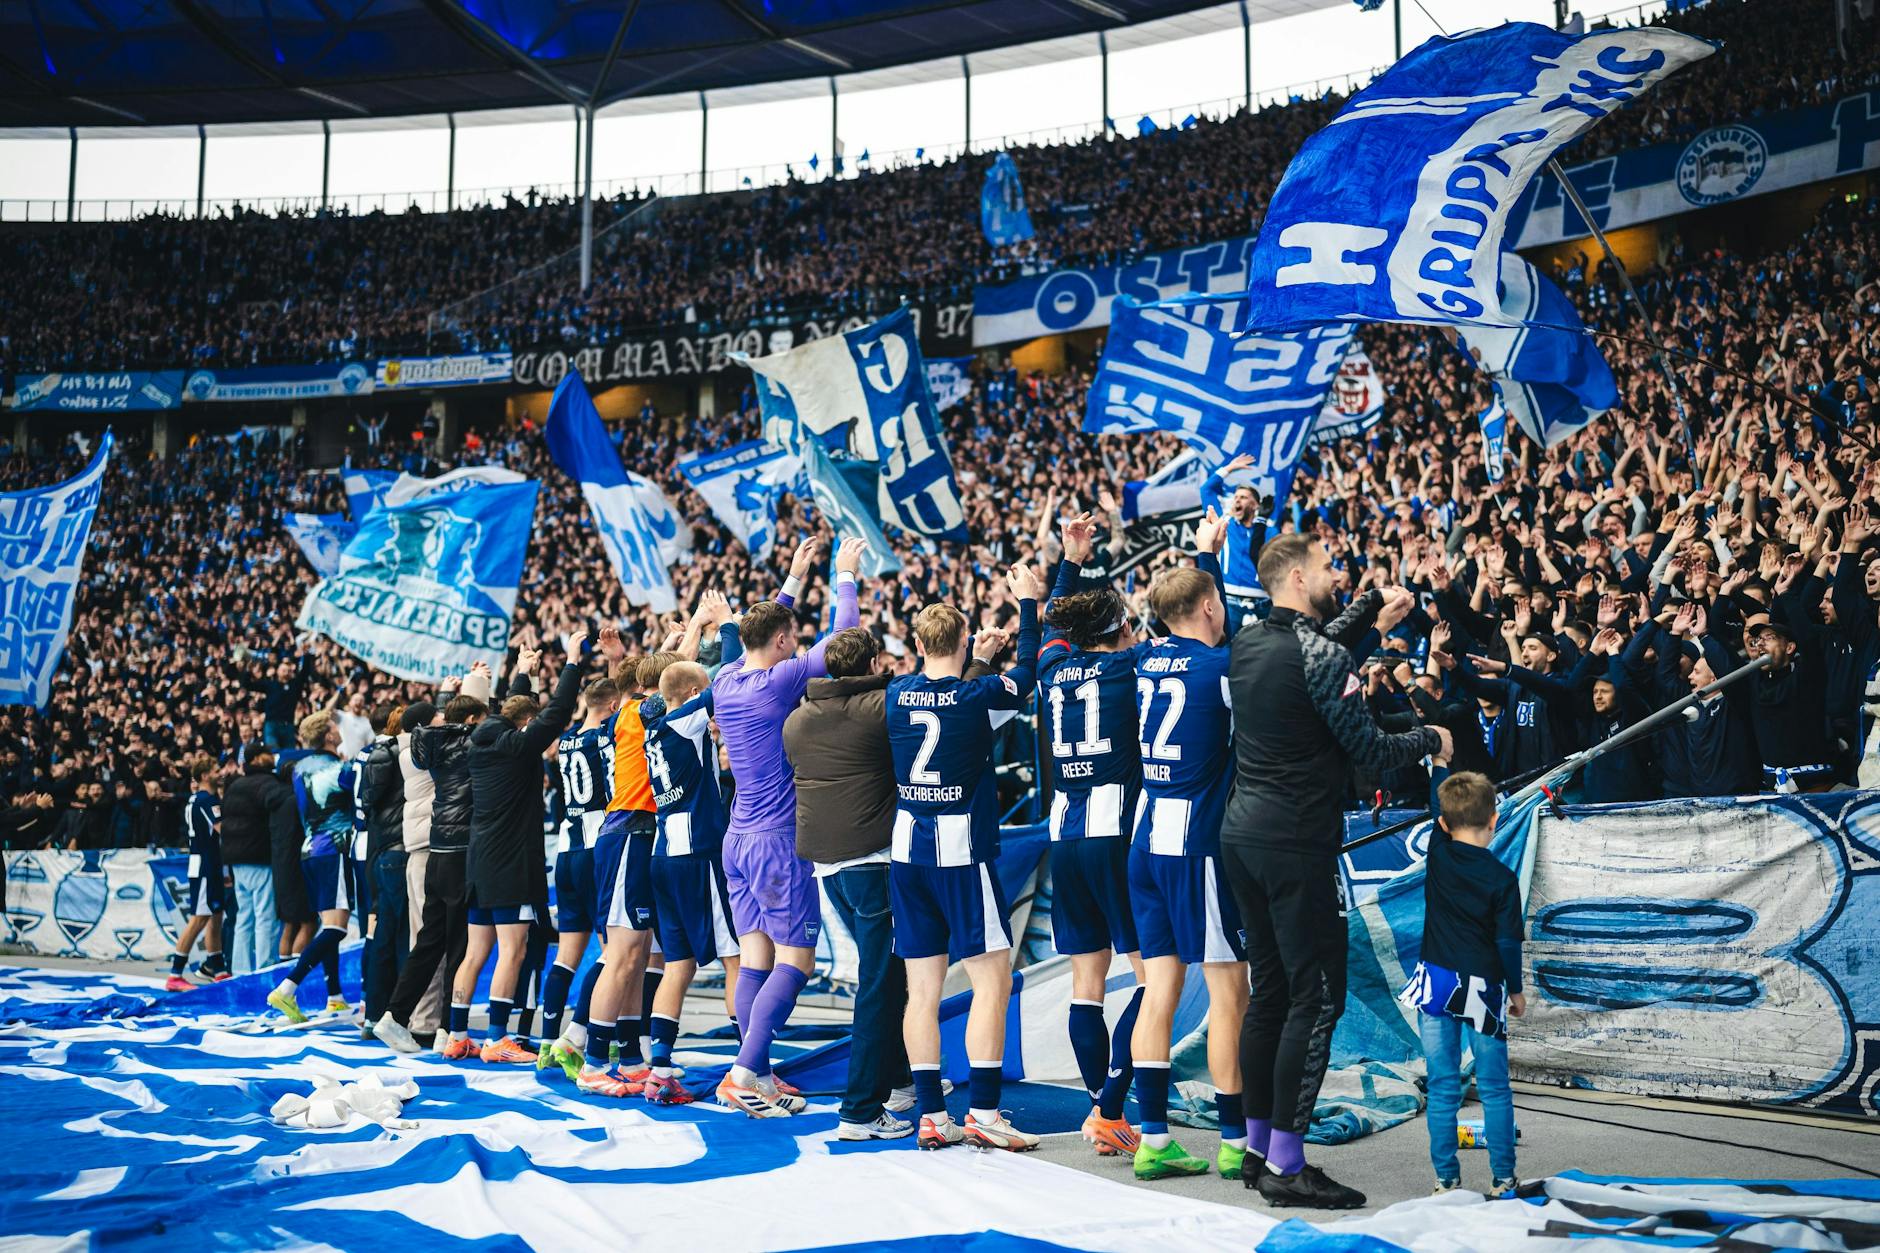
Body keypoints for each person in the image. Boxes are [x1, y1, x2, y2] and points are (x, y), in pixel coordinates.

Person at [1222, 534, 1449, 1209]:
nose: (1338, 576)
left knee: (1269, 995)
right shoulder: (1319, 655)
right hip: (1296, 842)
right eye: (1328, 569)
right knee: (1315, 999)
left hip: (1243, 835)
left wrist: (1375, 610)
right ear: (1298, 575)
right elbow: (1373, 752)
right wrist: (1433, 739)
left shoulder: (1246, 641)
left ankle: (1258, 1148)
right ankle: (1289, 1165)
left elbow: (1314, 649)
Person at [888, 563, 1042, 1151]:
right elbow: (1025, 673)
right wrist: (1026, 605)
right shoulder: (978, 696)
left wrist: (970, 658)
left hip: (908, 849)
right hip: (960, 849)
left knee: (921, 990)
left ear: (920, 646)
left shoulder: (897, 695)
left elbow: (943, 693)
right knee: (991, 980)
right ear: (962, 641)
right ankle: (983, 1110)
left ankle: (931, 1114)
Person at [711, 536, 864, 1117]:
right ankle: (744, 1071)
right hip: (778, 840)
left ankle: (760, 1075)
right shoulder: (779, 682)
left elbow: (764, 628)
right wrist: (843, 576)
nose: (796, 643)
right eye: (791, 638)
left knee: (755, 959)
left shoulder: (725, 678)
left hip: (738, 838)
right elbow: (845, 639)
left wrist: (797, 578)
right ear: (780, 643)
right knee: (795, 962)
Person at [1124, 517, 1253, 1183]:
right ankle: (1236, 1140)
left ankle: (1153, 1138)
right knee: (1232, 990)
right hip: (1195, 843)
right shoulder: (1223, 666)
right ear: (1209, 606)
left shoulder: (1145, 656)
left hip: (1144, 837)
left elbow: (1181, 608)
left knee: (1159, 990)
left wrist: (1204, 554)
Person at [784, 625, 940, 1140]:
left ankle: (895, 1081)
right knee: (878, 982)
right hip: (874, 859)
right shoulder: (881, 708)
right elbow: (936, 696)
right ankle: (859, 1109)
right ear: (874, 662)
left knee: (886, 975)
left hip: (828, 866)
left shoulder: (797, 720)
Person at [1035, 511, 1147, 1158]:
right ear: (1116, 634)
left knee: (1087, 981)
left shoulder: (1053, 670)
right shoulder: (1128, 667)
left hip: (1063, 829)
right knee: (1149, 976)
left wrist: (1070, 560)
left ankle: (1103, 1109)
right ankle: (1108, 1106)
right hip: (1115, 830)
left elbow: (1054, 624)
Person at [457, 633, 584, 1064]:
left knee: (476, 951)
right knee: (512, 949)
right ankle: (496, 1039)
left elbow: (514, 710)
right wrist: (571, 662)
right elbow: (557, 714)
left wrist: (524, 673)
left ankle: (457, 1034)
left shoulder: (483, 737)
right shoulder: (517, 746)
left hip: (478, 858)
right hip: (510, 862)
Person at [1400, 771, 1523, 1198]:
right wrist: (1518, 989)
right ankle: (1504, 1180)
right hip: (1484, 988)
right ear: (1494, 819)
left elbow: (1438, 812)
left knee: (1442, 1085)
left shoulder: (1439, 854)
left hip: (1435, 983)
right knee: (1493, 1086)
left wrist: (1438, 761)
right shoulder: (1504, 880)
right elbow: (1507, 943)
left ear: (1444, 826)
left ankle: (1446, 1179)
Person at [641, 640, 745, 1106]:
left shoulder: (652, 728)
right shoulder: (684, 718)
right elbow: (725, 678)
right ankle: (751, 1068)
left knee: (677, 964)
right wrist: (726, 628)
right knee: (734, 957)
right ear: (688, 694)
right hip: (697, 852)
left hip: (664, 850)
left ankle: (659, 1067)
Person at [374, 672, 488, 1053]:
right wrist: (472, 687)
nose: (444, 723)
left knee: (426, 943)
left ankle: (396, 1016)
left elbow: (451, 723)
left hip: (431, 850)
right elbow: (471, 725)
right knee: (455, 945)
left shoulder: (419, 748)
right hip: (443, 852)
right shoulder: (443, 749)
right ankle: (443, 1028)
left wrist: (447, 695)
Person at [536, 678, 620, 1078]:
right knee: (614, 949)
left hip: (566, 850)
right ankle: (579, 1033)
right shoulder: (605, 735)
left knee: (566, 956)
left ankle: (548, 1043)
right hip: (596, 848)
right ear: (612, 705)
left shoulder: (567, 739)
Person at [268, 709, 357, 1023]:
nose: (339, 728)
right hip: (334, 847)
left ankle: (334, 996)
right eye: (335, 726)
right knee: (336, 928)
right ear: (329, 735)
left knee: (327, 925)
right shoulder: (338, 768)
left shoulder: (299, 767)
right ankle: (288, 987)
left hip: (309, 850)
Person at [396, 699, 449, 1043]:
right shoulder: (422, 752)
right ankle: (427, 1021)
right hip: (430, 850)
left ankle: (420, 1017)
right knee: (433, 940)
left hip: (418, 851)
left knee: (423, 937)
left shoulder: (408, 749)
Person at [359, 703, 408, 1034]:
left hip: (381, 853)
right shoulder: (396, 755)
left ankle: (376, 1012)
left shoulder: (377, 754)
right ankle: (396, 1015)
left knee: (383, 934)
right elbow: (370, 801)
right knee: (397, 935)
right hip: (395, 852)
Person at [220, 744, 290, 976]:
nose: (273, 756)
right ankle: (264, 970)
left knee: (244, 916)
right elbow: (279, 804)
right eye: (267, 753)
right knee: (265, 916)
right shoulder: (267, 784)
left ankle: (240, 971)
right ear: (257, 759)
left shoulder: (234, 785)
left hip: (236, 861)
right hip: (259, 858)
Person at [166, 756, 229, 990]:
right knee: (200, 917)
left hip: (208, 862)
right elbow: (223, 830)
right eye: (215, 770)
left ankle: (218, 969)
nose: (220, 772)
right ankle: (175, 974)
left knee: (215, 914)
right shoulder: (206, 800)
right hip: (205, 864)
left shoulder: (199, 799)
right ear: (204, 776)